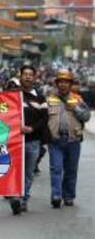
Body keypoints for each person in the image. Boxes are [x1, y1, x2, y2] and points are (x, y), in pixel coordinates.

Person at [47, 70, 90, 208]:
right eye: (61, 82)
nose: (63, 84)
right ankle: (56, 195)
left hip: (73, 141)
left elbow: (86, 116)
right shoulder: (49, 99)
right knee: (56, 168)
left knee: (71, 170)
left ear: (70, 84)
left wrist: (75, 109)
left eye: (66, 82)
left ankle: (69, 196)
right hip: (55, 141)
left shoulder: (77, 99)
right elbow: (42, 118)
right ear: (57, 84)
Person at [9, 65, 48, 215]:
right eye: (24, 74)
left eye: (30, 74)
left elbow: (45, 118)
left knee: (29, 173)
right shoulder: (13, 96)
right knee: (14, 170)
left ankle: (23, 200)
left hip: (33, 141)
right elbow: (6, 114)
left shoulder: (40, 97)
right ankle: (14, 197)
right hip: (15, 141)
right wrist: (18, 126)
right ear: (20, 76)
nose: (27, 77)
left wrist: (32, 128)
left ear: (35, 77)